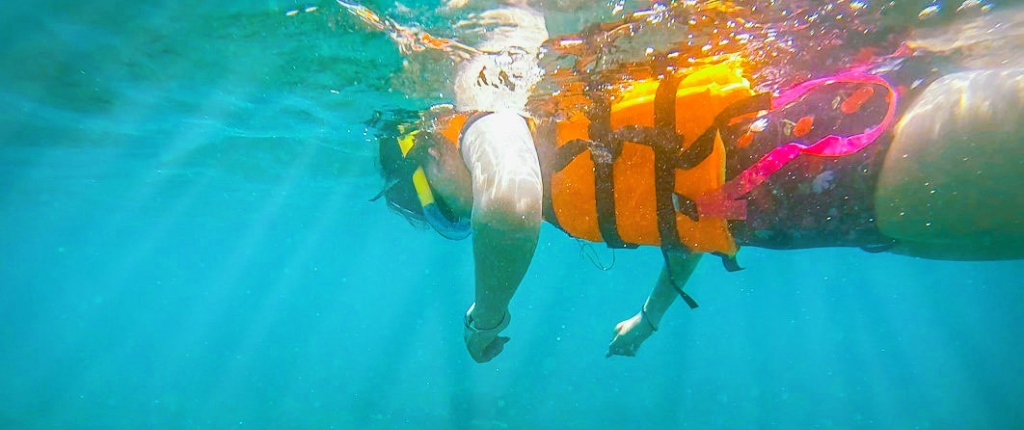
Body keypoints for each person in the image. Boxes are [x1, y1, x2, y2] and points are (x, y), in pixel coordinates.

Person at [376, 4, 1023, 362]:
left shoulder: (477, 102)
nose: (456, 221)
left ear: (426, 148)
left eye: (437, 209)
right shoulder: (577, 143)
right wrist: (649, 320)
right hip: (877, 209)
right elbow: (689, 211)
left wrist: (486, 320)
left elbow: (510, 207)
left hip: (874, 153)